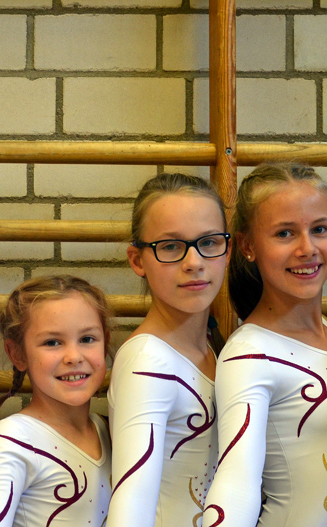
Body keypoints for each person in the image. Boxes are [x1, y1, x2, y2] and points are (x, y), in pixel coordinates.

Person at [202, 163, 327, 527]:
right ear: (248, 246)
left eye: (319, 229)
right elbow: (236, 484)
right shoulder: (249, 355)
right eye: (285, 233)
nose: (307, 248)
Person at [108, 174, 227, 526]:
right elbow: (130, 511)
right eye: (171, 246)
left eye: (209, 242)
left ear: (228, 250)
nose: (194, 261)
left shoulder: (212, 349)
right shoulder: (148, 363)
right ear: (137, 260)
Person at [0, 276, 113, 527]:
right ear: (17, 354)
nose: (73, 357)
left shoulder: (107, 430)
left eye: (87, 339)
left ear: (106, 342)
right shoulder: (13, 437)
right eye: (52, 342)